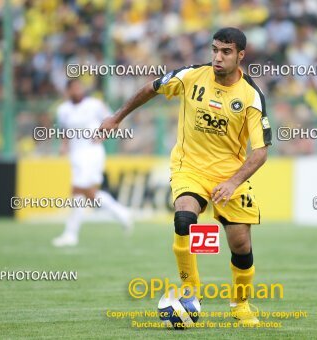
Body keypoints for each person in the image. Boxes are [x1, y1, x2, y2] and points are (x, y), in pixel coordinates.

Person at [98, 27, 271, 325]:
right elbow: (150, 88)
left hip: (229, 175)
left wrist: (231, 183)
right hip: (188, 167)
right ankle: (190, 290)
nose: (218, 57)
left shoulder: (251, 97)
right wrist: (117, 116)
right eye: (215, 50)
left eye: (226, 52)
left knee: (241, 246)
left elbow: (260, 152)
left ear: (240, 56)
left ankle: (241, 305)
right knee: (184, 220)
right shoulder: (191, 76)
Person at [52, 80, 133, 247]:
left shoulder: (95, 104)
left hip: (92, 152)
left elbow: (113, 120)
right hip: (76, 155)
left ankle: (70, 234)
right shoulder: (63, 110)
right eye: (73, 88)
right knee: (89, 195)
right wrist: (64, 146)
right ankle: (122, 213)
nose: (77, 90)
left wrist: (102, 136)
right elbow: (64, 131)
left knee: (77, 191)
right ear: (68, 91)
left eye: (79, 87)